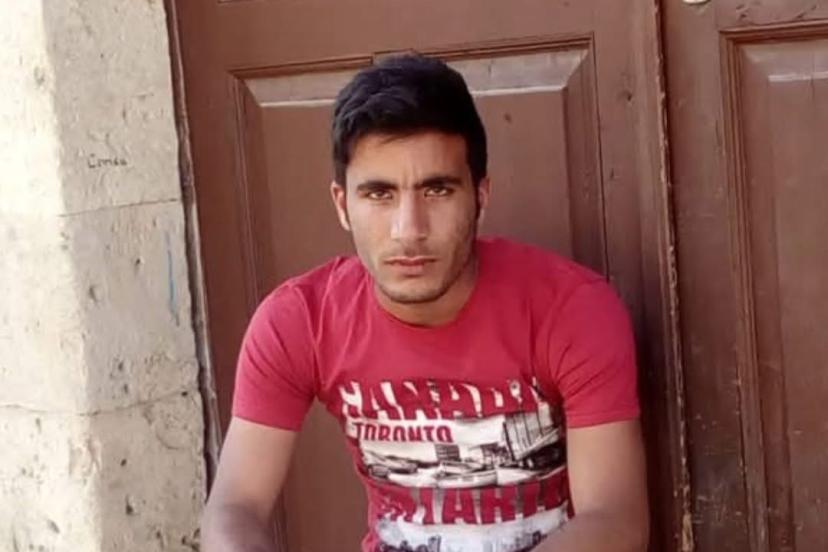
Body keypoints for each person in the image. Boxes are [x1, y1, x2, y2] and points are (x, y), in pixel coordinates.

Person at [201, 54, 649, 552]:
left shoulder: (572, 309)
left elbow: (615, 520)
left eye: (437, 190)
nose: (408, 230)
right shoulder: (300, 321)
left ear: (481, 196)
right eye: (379, 194)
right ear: (342, 205)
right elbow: (235, 506)